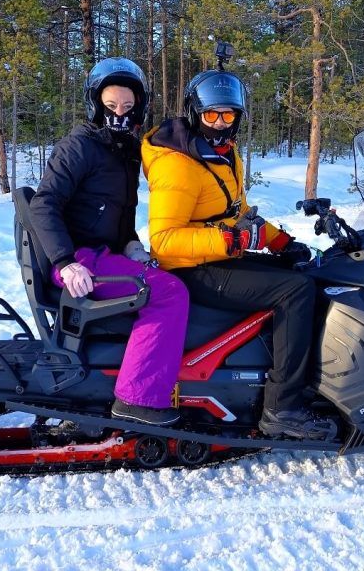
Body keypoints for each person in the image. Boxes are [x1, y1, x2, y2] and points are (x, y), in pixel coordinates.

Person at [141, 67, 336, 440]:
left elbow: (238, 214)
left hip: (215, 256)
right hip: (189, 269)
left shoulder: (223, 154)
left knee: (306, 275)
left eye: (227, 115)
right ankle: (284, 408)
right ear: (195, 113)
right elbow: (163, 242)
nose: (219, 123)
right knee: (295, 292)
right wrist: (228, 241)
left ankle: (312, 378)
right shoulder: (178, 163)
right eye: (211, 114)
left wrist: (281, 242)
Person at [30, 57, 188, 426]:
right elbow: (44, 203)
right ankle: (138, 398)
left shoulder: (124, 151)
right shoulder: (80, 145)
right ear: (96, 103)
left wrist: (132, 244)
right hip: (79, 259)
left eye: (128, 107)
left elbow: (117, 213)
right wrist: (65, 262)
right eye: (111, 105)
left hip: (103, 253)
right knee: (168, 292)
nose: (120, 113)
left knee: (172, 275)